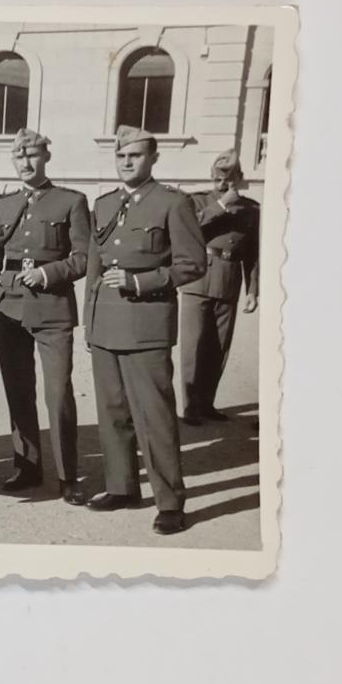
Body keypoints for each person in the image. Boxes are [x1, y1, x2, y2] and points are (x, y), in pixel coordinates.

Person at [83, 125, 207, 535]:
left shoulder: (172, 203)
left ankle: (170, 501)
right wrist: (90, 324)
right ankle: (122, 487)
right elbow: (95, 270)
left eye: (135, 155)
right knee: (112, 412)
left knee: (154, 417)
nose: (127, 162)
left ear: (153, 158)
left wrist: (141, 282)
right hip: (106, 326)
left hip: (147, 325)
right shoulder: (103, 205)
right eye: (121, 156)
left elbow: (193, 264)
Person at [0, 129, 90, 503]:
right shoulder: (3, 206)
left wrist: (46, 274)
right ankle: (27, 465)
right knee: (18, 391)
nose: (25, 164)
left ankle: (67, 474)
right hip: (8, 310)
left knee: (58, 393)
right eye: (19, 158)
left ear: (46, 157)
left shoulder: (71, 202)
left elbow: (83, 258)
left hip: (53, 307)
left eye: (33, 156)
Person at [179, 149, 260, 425]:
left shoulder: (251, 209)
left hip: (229, 280)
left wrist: (252, 290)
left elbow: (253, 254)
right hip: (198, 279)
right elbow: (188, 229)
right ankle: (190, 407)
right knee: (193, 346)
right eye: (216, 180)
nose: (221, 185)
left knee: (219, 347)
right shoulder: (196, 201)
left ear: (240, 178)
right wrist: (223, 204)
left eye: (227, 181)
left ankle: (206, 403)